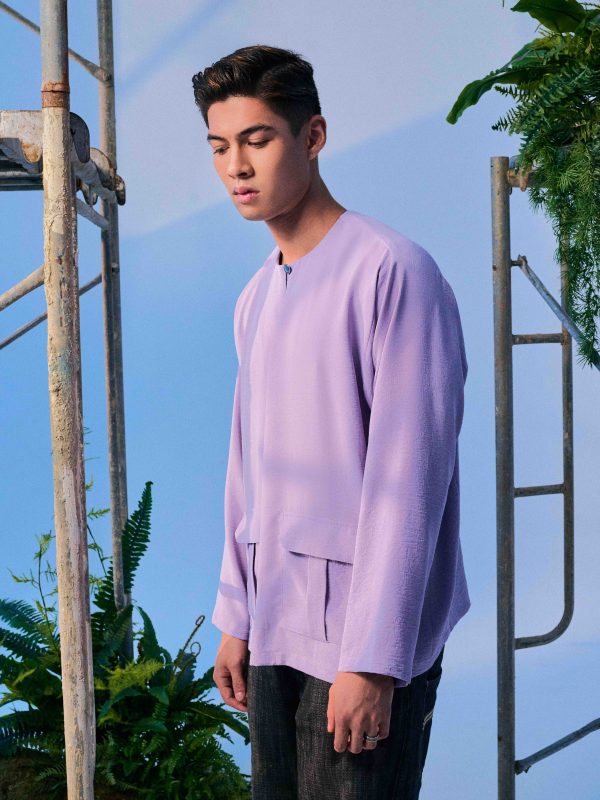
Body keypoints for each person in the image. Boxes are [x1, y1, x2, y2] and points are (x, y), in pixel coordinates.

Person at [191, 44, 471, 800]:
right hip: (275, 624)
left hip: (360, 639)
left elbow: (410, 480)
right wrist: (237, 614)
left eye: (257, 140)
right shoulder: (256, 296)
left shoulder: (393, 271)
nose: (236, 167)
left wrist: (374, 660)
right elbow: (248, 469)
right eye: (219, 146)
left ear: (312, 136)